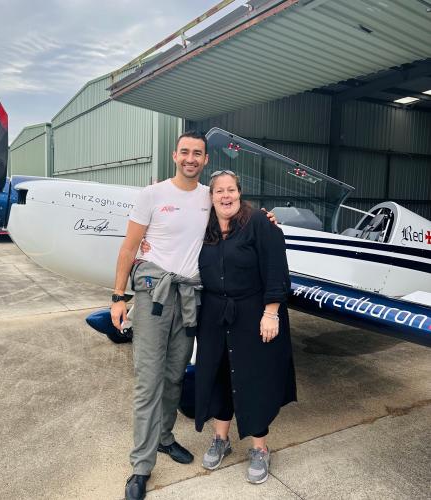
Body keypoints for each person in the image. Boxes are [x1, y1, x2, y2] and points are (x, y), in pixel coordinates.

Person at [111, 131, 276, 500]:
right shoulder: (152, 195)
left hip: (190, 299)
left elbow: (238, 209)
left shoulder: (210, 194)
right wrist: (118, 296)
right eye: (184, 152)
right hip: (155, 295)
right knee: (148, 380)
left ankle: (166, 437)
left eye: (197, 153)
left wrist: (267, 219)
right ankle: (141, 466)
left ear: (204, 160)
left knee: (173, 376)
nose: (190, 158)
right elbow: (129, 246)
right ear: (175, 156)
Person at [195, 170, 297, 485]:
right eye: (219, 191)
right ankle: (221, 440)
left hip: (253, 312)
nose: (226, 196)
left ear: (240, 193)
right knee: (219, 374)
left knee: (253, 378)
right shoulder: (205, 227)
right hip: (213, 314)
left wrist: (271, 313)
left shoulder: (259, 224)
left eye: (231, 190)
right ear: (210, 197)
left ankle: (259, 448)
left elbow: (276, 268)